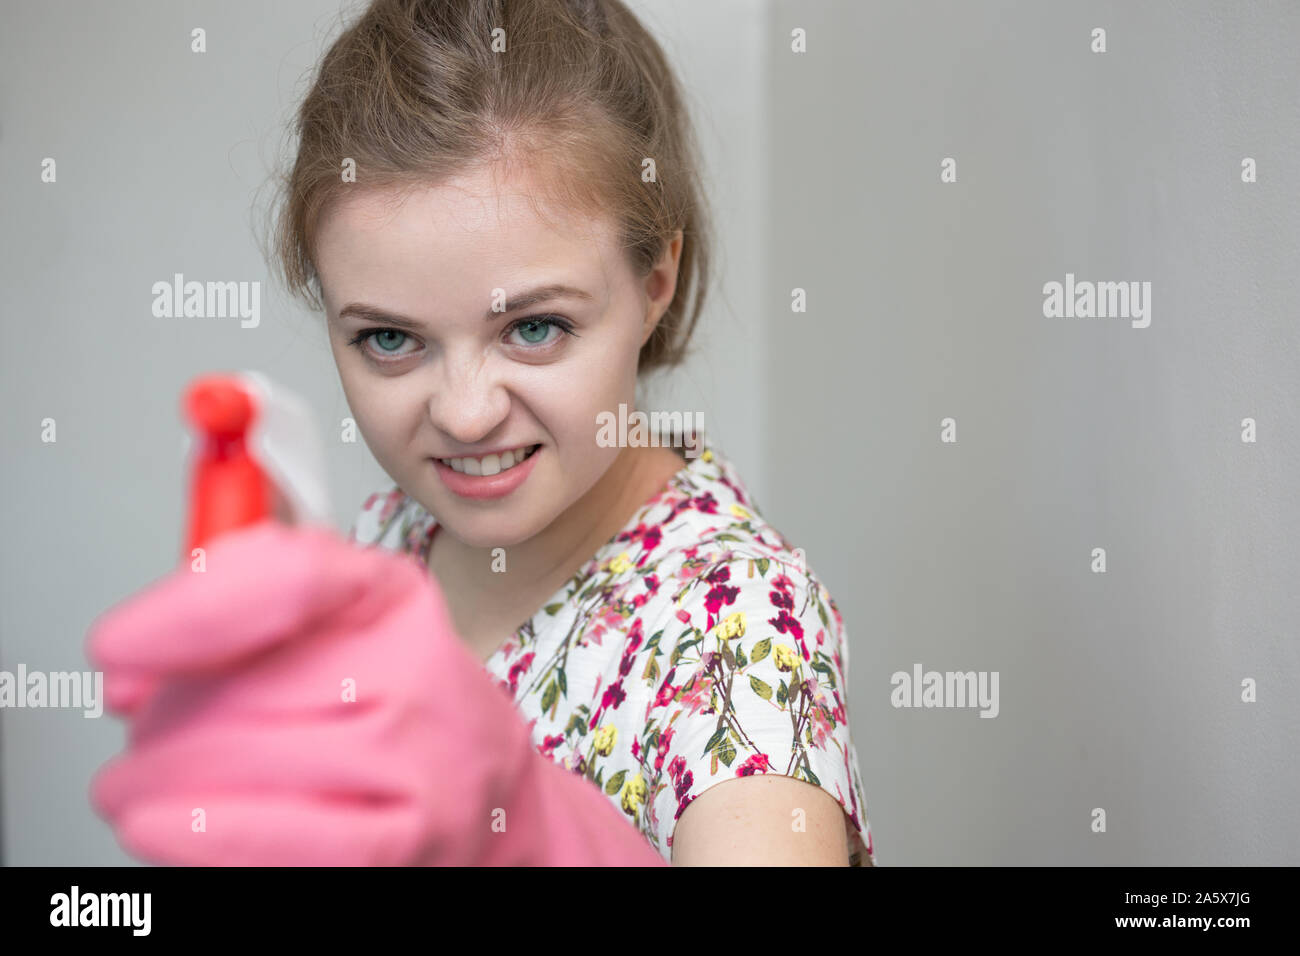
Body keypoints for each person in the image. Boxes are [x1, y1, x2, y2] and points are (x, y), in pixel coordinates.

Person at [88, 0, 875, 867]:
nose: (464, 415)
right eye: (390, 339)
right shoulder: (395, 533)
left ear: (655, 281)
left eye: (534, 329)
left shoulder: (741, 628)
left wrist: (532, 834)